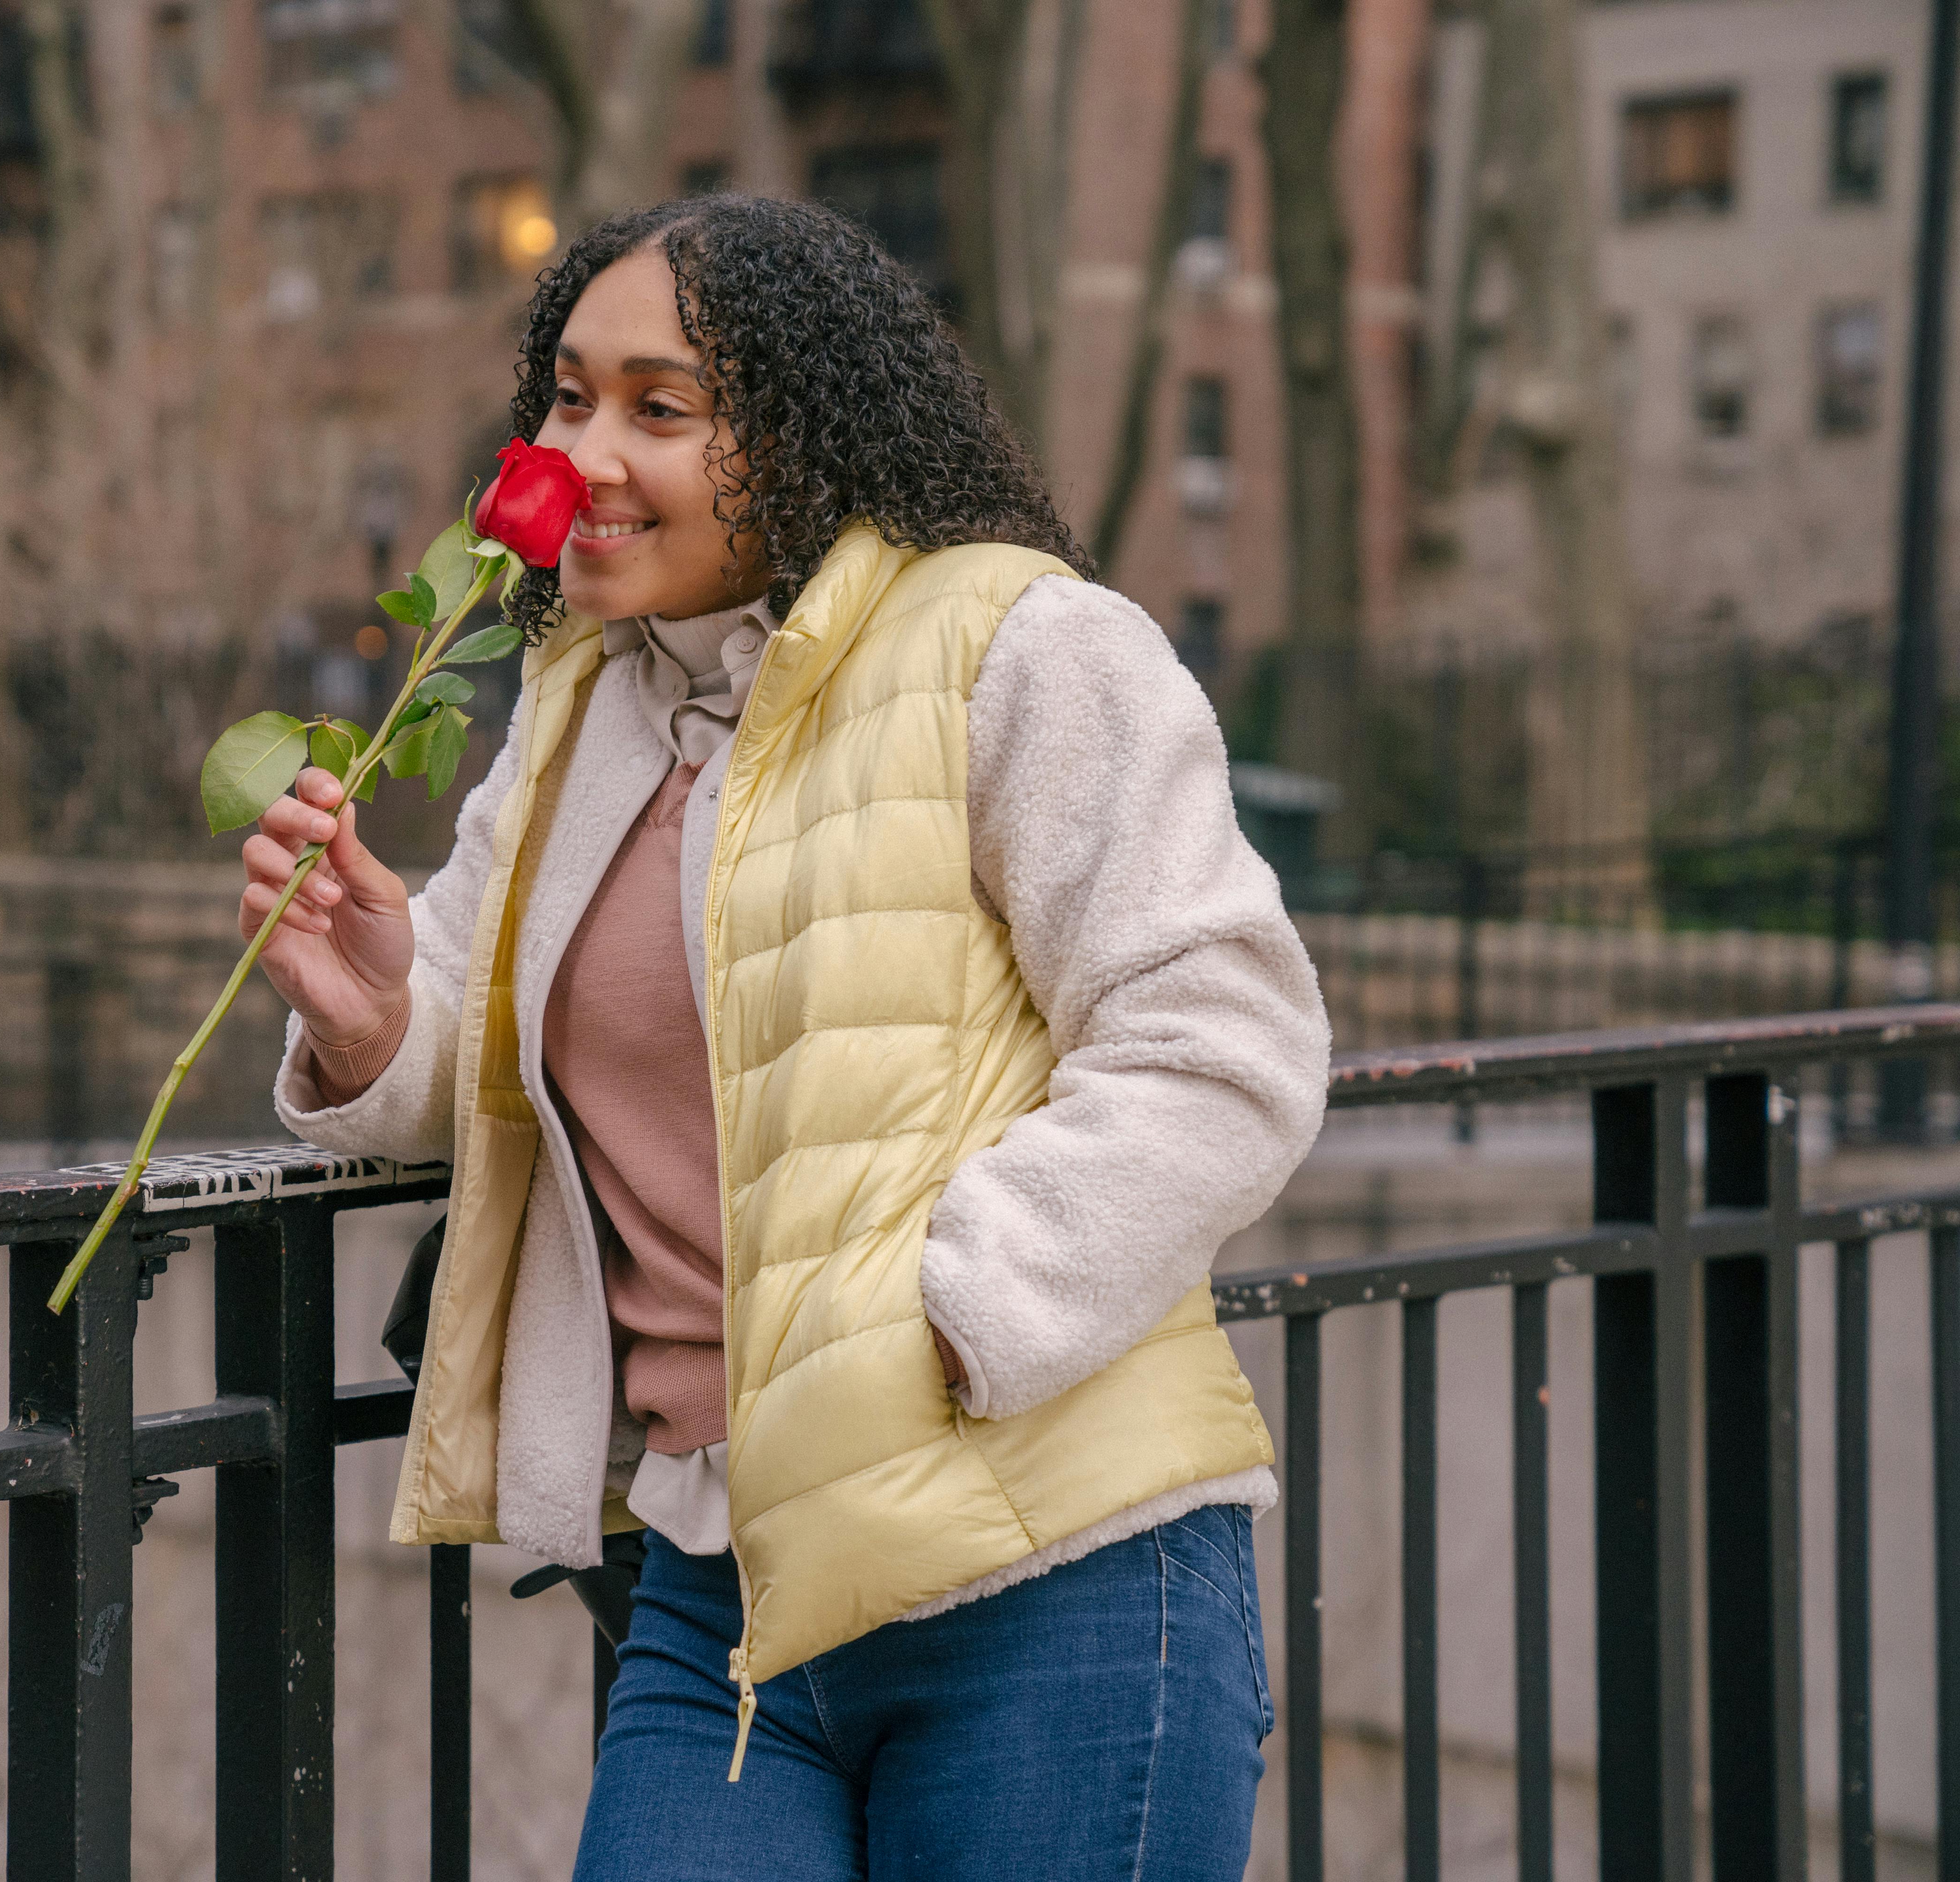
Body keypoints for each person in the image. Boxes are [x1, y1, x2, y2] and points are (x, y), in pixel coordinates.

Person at [239, 195, 1329, 1880]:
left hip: (1054, 1580)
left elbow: (1224, 1040)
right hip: (719, 1591)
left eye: (661, 410)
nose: (588, 451)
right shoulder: (577, 704)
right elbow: (489, 1063)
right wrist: (378, 1004)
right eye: (570, 397)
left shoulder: (1021, 647)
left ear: (805, 436)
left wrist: (950, 1324)